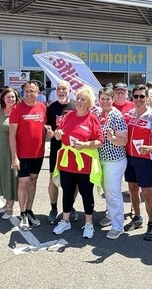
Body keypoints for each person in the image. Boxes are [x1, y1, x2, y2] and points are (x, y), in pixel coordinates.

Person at [51, 87, 103, 238]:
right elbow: (58, 133)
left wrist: (86, 145)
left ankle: (88, 223)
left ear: (89, 103)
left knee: (86, 193)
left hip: (85, 163)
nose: (79, 101)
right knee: (67, 191)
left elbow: (100, 140)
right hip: (68, 161)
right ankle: (65, 221)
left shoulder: (92, 118)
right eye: (78, 98)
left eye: (83, 99)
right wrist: (57, 133)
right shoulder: (68, 115)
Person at [122, 85, 152, 240]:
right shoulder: (130, 114)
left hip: (145, 159)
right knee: (132, 189)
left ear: (147, 98)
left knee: (146, 193)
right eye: (136, 96)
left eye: (141, 96)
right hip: (130, 157)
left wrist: (150, 148)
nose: (138, 99)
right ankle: (137, 218)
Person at [9, 80, 48, 230]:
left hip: (38, 154)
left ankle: (30, 210)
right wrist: (14, 157)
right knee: (23, 183)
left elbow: (45, 129)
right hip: (22, 154)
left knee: (33, 180)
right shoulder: (17, 109)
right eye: (27, 91)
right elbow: (11, 134)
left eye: (32, 91)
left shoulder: (42, 108)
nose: (29, 93)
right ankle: (23, 213)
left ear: (38, 93)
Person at [94, 87, 128, 239]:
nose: (105, 101)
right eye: (103, 98)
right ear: (98, 100)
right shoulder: (97, 113)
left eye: (108, 98)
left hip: (114, 160)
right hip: (101, 159)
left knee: (113, 192)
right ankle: (110, 214)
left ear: (112, 100)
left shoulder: (116, 115)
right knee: (106, 191)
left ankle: (118, 225)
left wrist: (113, 138)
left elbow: (124, 140)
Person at [45, 80, 77, 224]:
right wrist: (49, 134)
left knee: (73, 182)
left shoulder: (76, 106)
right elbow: (47, 129)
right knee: (53, 180)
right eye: (59, 89)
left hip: (73, 150)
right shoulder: (51, 107)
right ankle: (53, 208)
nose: (61, 91)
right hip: (56, 150)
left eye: (64, 88)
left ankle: (70, 206)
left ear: (69, 90)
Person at [0, 87, 20, 219]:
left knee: (11, 175)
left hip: (11, 149)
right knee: (2, 173)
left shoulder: (18, 111)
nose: (11, 99)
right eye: (8, 97)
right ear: (3, 98)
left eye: (13, 97)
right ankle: (6, 203)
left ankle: (10, 207)